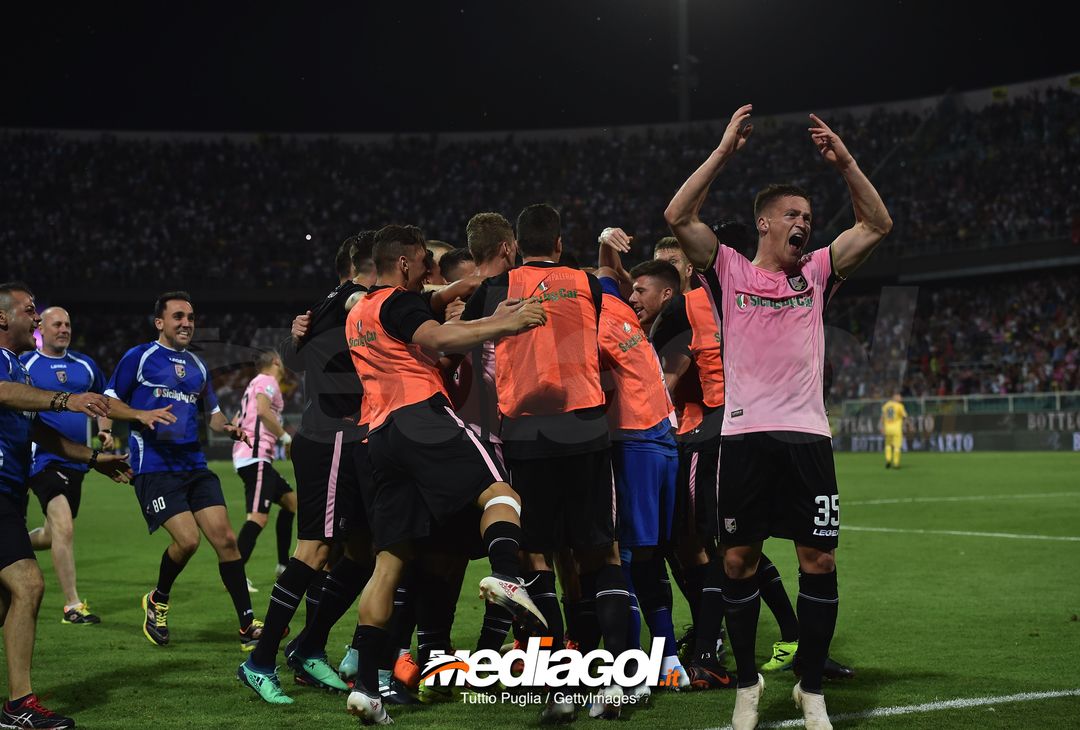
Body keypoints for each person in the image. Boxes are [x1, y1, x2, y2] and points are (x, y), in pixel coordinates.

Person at [664, 105, 893, 730]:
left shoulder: (817, 271)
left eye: (809, 218)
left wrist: (845, 163)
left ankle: (810, 688)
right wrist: (722, 151)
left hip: (807, 438)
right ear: (764, 222)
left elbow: (877, 223)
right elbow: (677, 216)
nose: (804, 224)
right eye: (793, 215)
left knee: (819, 562)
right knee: (737, 562)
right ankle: (747, 684)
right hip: (743, 439)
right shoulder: (728, 269)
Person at [343, 223, 548, 724]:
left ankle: (368, 686)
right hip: (421, 417)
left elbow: (435, 301)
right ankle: (506, 576)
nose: (428, 272)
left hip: (379, 437)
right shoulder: (399, 303)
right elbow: (437, 334)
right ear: (404, 263)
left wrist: (476, 296)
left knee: (389, 563)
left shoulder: (361, 311)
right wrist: (507, 324)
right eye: (423, 264)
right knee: (500, 492)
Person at [461, 204, 630, 722]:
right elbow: (617, 306)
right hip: (586, 429)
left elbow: (457, 336)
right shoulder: (586, 283)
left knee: (535, 558)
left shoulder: (496, 288)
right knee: (600, 553)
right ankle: (615, 683)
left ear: (516, 244)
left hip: (527, 435)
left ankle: (558, 688)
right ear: (558, 243)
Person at [240, 236, 374, 704]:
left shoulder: (330, 305)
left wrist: (296, 335)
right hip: (332, 437)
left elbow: (294, 353)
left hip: (347, 438)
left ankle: (309, 646)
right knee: (314, 550)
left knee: (362, 550)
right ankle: (260, 662)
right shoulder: (353, 298)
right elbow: (297, 349)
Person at [0, 282, 132, 730]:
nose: (36, 318)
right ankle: (19, 704)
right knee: (28, 584)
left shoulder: (19, 367)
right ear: (3, 317)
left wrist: (93, 458)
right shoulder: (6, 367)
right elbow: (3, 394)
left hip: (11, 493)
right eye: (29, 310)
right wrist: (67, 399)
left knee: (6, 601)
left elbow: (40, 432)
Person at [104, 291, 265, 651]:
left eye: (190, 317)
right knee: (188, 540)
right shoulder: (139, 357)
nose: (186, 323)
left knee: (226, 540)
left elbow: (214, 414)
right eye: (178, 316)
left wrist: (229, 427)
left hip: (194, 465)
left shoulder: (197, 365)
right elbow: (108, 400)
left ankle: (246, 626)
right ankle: (158, 600)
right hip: (154, 467)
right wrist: (139, 414)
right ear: (159, 322)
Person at [19, 307, 114, 625]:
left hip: (78, 463)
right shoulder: (26, 364)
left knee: (53, 534)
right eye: (57, 324)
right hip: (42, 459)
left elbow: (105, 400)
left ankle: (10, 544)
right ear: (41, 329)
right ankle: (72, 605)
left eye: (68, 324)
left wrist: (105, 429)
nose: (64, 329)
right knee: (65, 527)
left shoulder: (85, 365)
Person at [232, 350, 298, 589]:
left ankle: (282, 565)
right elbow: (262, 410)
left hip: (253, 457)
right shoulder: (268, 381)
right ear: (276, 361)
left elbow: (238, 419)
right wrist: (285, 437)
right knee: (258, 518)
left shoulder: (254, 384)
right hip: (256, 457)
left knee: (291, 502)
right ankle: (234, 575)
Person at [880, 392, 907, 469]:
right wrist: (907, 425)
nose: (901, 398)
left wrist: (882, 427)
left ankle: (888, 459)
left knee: (888, 445)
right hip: (896, 428)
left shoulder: (886, 405)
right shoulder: (899, 406)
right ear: (895, 397)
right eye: (899, 397)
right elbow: (904, 416)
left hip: (887, 428)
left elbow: (882, 417)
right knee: (897, 446)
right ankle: (896, 463)